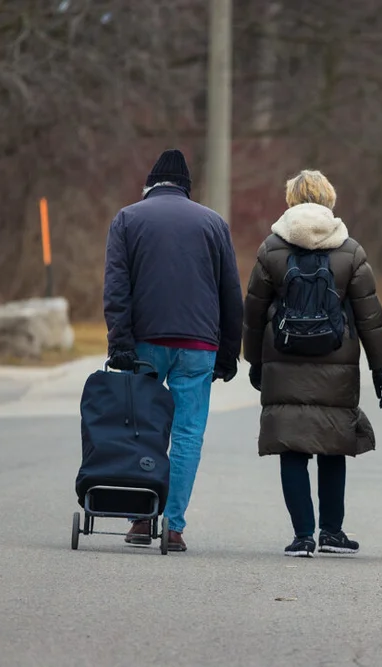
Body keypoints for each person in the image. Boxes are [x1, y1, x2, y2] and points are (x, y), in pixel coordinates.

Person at [242, 169, 382, 558]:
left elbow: (254, 313)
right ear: (329, 200)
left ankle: (302, 536)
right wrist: (380, 368)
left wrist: (254, 361)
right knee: (332, 445)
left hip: (283, 357)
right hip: (336, 360)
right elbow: (369, 317)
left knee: (292, 447)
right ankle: (332, 532)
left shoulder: (271, 249)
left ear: (291, 201)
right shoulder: (350, 251)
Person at [103, 148, 243, 553]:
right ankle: (175, 526)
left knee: (143, 429)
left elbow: (116, 289)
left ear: (150, 185)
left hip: (145, 343)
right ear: (187, 188)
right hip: (199, 345)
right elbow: (230, 293)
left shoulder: (127, 219)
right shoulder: (214, 223)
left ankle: (141, 520)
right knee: (187, 434)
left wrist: (120, 343)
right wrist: (229, 352)